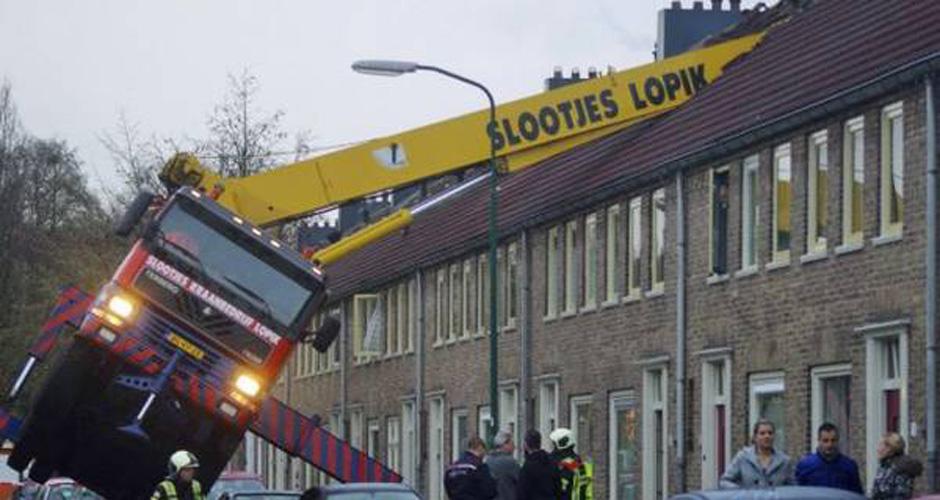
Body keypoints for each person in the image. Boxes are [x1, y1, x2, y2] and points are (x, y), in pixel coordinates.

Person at [720, 419, 793, 489]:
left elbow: (792, 487)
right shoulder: (743, 457)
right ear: (755, 437)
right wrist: (742, 493)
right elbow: (725, 481)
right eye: (762, 433)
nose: (767, 436)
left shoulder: (784, 461)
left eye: (770, 433)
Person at [794, 422, 863, 494]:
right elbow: (798, 493)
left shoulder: (849, 466)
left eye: (833, 440)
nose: (829, 445)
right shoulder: (805, 466)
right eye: (825, 441)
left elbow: (857, 495)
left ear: (838, 441)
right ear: (819, 441)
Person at [871, 432, 923, 500]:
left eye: (880, 445)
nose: (877, 449)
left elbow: (901, 495)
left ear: (889, 448)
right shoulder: (884, 465)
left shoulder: (901, 467)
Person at [444, 435, 498, 500]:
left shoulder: (452, 468)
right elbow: (489, 491)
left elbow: (448, 488)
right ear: (480, 448)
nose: (484, 454)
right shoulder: (479, 466)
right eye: (484, 450)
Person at [548, 428, 592, 500]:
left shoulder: (569, 463)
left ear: (562, 444)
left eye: (555, 446)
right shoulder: (576, 462)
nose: (553, 449)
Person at [517, 430, 560, 500]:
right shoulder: (552, 462)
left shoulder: (527, 467)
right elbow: (558, 488)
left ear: (526, 445)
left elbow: (522, 493)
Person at [486, 429, 520, 500]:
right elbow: (521, 481)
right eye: (512, 444)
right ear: (505, 444)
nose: (514, 447)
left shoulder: (488, 460)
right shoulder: (510, 462)